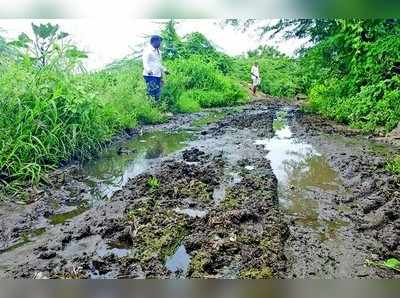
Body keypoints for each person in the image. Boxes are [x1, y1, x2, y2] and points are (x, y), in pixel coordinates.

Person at [142, 35, 168, 102]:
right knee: (152, 91)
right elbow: (145, 62)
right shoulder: (148, 50)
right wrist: (148, 70)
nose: (160, 44)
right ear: (154, 41)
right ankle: (151, 107)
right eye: (159, 42)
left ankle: (157, 107)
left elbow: (158, 63)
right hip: (150, 75)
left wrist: (164, 70)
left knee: (158, 92)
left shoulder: (159, 52)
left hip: (157, 75)